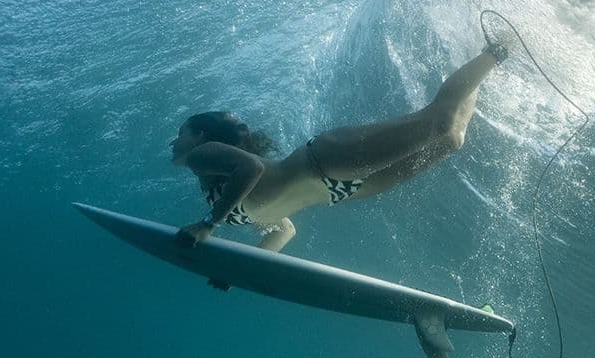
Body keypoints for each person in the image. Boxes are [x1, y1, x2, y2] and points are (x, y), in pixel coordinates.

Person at [171, 40, 509, 253]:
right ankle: (480, 64)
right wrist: (245, 270)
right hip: (341, 191)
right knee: (451, 140)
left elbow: (252, 167)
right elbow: (284, 229)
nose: (175, 142)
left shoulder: (200, 157)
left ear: (201, 136)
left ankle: (497, 49)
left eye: (182, 133)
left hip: (323, 162)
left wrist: (208, 225)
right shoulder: (216, 189)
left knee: (438, 123)